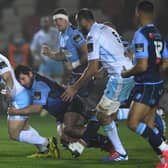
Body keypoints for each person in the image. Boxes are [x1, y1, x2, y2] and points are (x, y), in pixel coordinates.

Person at [61, 8, 134, 161]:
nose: (77, 27)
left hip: (120, 78)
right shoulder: (106, 28)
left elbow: (91, 67)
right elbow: (116, 53)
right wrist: (103, 70)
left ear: (82, 20)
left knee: (102, 115)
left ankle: (147, 114)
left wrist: (74, 87)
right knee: (105, 115)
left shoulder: (93, 36)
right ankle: (120, 152)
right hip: (123, 74)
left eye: (77, 22)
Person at [8, 64, 114, 156]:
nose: (22, 83)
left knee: (69, 129)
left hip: (71, 104)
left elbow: (37, 108)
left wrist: (16, 112)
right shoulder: (33, 82)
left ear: (30, 74)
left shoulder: (39, 85)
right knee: (66, 141)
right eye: (20, 80)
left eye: (23, 79)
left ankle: (106, 141)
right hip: (61, 113)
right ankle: (101, 142)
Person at [121, 1, 168, 168]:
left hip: (146, 84)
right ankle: (164, 160)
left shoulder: (140, 34)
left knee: (133, 123)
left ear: (138, 13)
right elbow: (165, 62)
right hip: (157, 83)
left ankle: (166, 150)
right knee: (149, 125)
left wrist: (126, 73)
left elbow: (142, 65)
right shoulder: (158, 34)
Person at [0, 54, 58, 159]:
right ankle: (44, 150)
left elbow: (8, 77)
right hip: (17, 95)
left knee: (14, 134)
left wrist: (7, 90)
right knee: (25, 128)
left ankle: (47, 142)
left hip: (19, 97)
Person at [42, 8, 92, 97]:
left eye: (60, 19)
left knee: (78, 101)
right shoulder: (62, 35)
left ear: (66, 20)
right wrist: (49, 53)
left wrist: (74, 65)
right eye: (55, 20)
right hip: (75, 73)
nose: (58, 22)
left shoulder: (74, 34)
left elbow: (87, 54)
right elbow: (64, 55)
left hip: (83, 74)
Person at [30, 16, 64, 82]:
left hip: (56, 59)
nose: (45, 23)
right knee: (44, 80)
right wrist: (36, 57)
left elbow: (64, 43)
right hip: (45, 61)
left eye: (46, 22)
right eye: (43, 22)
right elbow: (33, 49)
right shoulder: (38, 35)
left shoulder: (56, 32)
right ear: (40, 23)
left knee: (58, 80)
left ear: (50, 22)